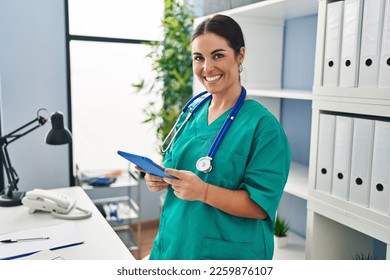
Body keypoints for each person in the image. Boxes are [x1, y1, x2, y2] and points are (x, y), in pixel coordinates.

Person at [143, 14, 290, 260]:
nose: (207, 68)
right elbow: (174, 166)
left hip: (225, 255)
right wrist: (158, 177)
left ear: (240, 55)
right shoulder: (191, 112)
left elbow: (260, 206)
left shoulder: (264, 128)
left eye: (218, 55)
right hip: (174, 245)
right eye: (198, 58)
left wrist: (204, 192)